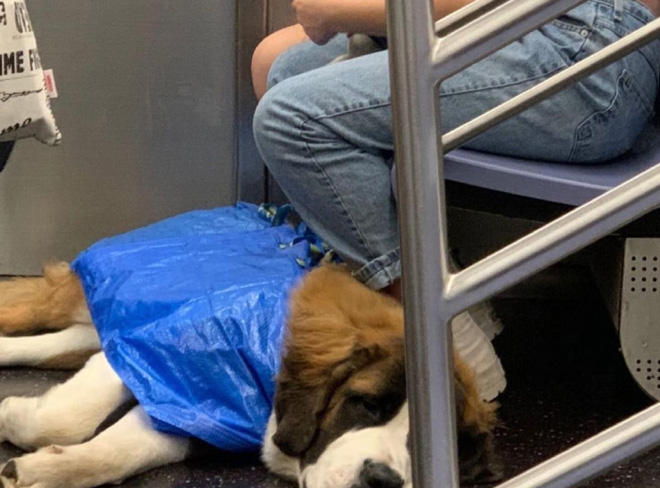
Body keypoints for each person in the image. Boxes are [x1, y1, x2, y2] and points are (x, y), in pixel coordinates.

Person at [251, 0, 660, 400]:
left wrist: (344, 12)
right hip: (536, 27)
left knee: (291, 119)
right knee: (284, 68)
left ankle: (434, 324)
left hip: (589, 49)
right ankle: (446, 285)